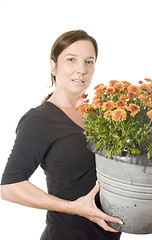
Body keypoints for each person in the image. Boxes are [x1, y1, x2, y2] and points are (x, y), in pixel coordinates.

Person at [1, 30, 123, 240]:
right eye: (71, 59)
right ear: (53, 65)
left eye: (89, 61)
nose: (81, 69)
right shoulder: (39, 120)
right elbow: (10, 186)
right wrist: (73, 207)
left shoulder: (102, 116)